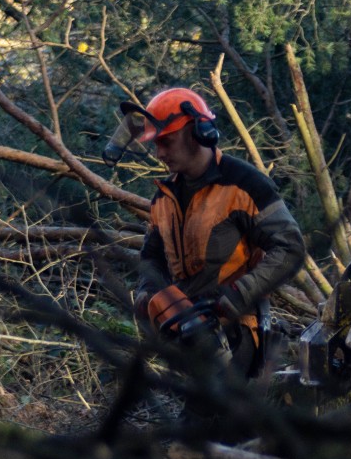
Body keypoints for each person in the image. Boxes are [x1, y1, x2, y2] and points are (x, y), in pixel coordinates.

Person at [120, 87, 304, 383]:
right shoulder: (164, 198)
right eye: (156, 143)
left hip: (238, 329)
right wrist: (149, 294)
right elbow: (151, 257)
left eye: (166, 141)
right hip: (190, 334)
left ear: (199, 132)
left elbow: (291, 247)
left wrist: (236, 296)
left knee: (213, 421)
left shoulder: (242, 184)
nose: (159, 153)